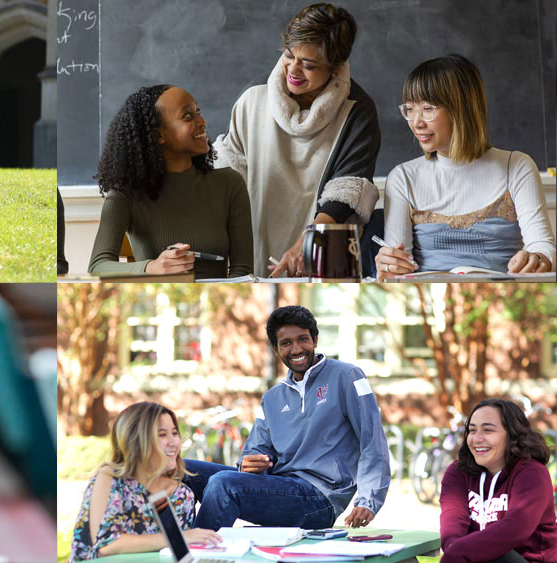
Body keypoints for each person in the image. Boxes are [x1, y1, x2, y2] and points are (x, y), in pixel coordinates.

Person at [212, 3, 380, 277]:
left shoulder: (357, 111)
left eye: (309, 65)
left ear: (336, 68)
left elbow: (346, 191)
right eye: (289, 56)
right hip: (253, 242)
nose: (294, 70)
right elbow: (228, 174)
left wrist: (310, 241)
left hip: (325, 247)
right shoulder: (254, 99)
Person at [186, 306, 390, 530]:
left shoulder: (348, 375)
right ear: (275, 349)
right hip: (278, 486)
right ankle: (162, 546)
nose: (296, 349)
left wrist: (368, 500)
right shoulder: (272, 398)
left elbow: (372, 439)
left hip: (320, 499)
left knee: (223, 483)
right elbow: (255, 451)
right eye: (286, 343)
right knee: (181, 470)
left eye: (303, 339)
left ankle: (196, 552)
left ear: (315, 339)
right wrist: (248, 464)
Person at [376, 54, 556, 279]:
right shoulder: (403, 177)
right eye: (409, 109)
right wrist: (391, 264)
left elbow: (542, 245)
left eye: (428, 108)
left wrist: (536, 259)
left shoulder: (517, 166)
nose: (416, 122)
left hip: (503, 291)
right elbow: (398, 268)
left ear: (461, 109)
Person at [87, 85, 253, 279]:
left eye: (197, 112)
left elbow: (243, 271)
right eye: (188, 116)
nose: (202, 122)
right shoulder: (125, 194)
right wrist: (152, 267)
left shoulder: (230, 183)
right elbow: (98, 265)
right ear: (158, 136)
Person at [69, 402, 220, 561]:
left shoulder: (182, 495)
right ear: (136, 440)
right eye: (162, 435)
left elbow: (175, 556)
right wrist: (180, 537)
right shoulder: (111, 479)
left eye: (175, 433)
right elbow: (107, 545)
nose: (173, 442)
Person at [439, 398, 557, 563]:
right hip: (477, 558)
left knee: (496, 554)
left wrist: (460, 551)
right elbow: (453, 518)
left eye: (488, 430)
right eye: (472, 431)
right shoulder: (458, 471)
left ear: (512, 435)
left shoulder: (532, 474)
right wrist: (454, 548)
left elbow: (515, 529)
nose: (477, 438)